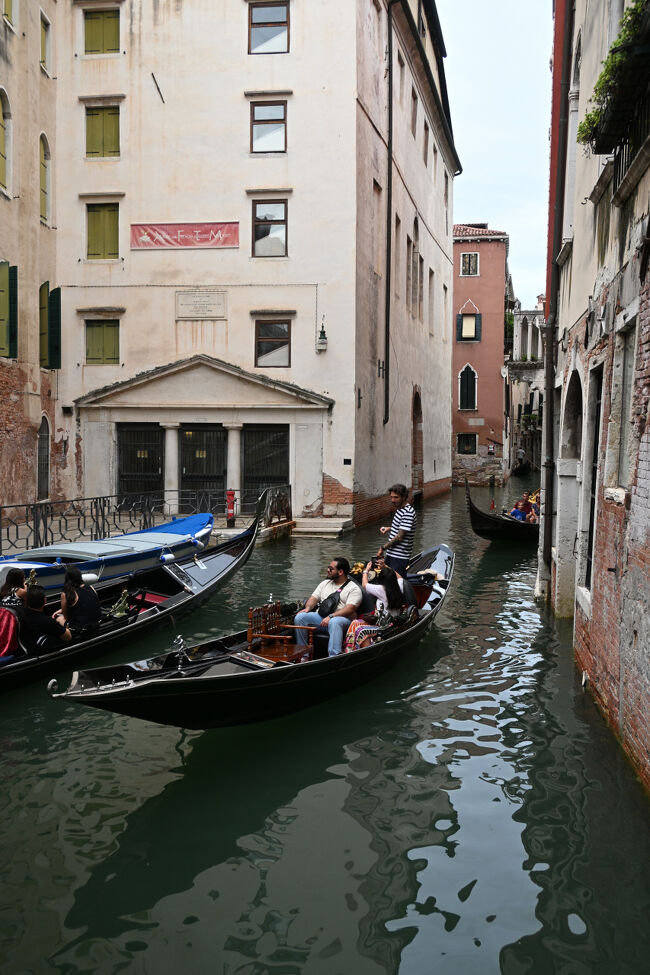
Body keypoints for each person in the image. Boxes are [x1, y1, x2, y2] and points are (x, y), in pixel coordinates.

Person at [294, 557, 362, 657]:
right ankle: (304, 655)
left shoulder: (353, 588)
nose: (328, 570)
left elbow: (350, 608)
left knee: (335, 622)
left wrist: (331, 616)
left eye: (331, 569)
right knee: (300, 618)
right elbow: (313, 598)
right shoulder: (325, 583)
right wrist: (307, 608)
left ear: (340, 572)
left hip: (343, 620)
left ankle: (334, 656)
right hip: (321, 618)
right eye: (328, 568)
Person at [17, 585, 71, 654]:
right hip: (38, 652)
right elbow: (68, 637)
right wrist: (63, 621)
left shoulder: (20, 615)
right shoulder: (47, 621)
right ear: (45, 600)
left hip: (25, 649)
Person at [377, 483, 416, 577]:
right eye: (391, 497)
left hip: (399, 556)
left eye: (396, 497)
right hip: (393, 554)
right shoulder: (400, 509)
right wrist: (389, 528)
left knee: (396, 583)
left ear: (404, 497)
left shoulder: (408, 512)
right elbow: (402, 528)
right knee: (388, 580)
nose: (392, 500)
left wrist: (383, 548)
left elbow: (399, 537)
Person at [53, 566, 101, 634]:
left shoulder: (66, 593)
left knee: (57, 618)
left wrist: (60, 612)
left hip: (80, 627)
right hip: (96, 621)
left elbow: (66, 617)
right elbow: (88, 604)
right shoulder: (91, 587)